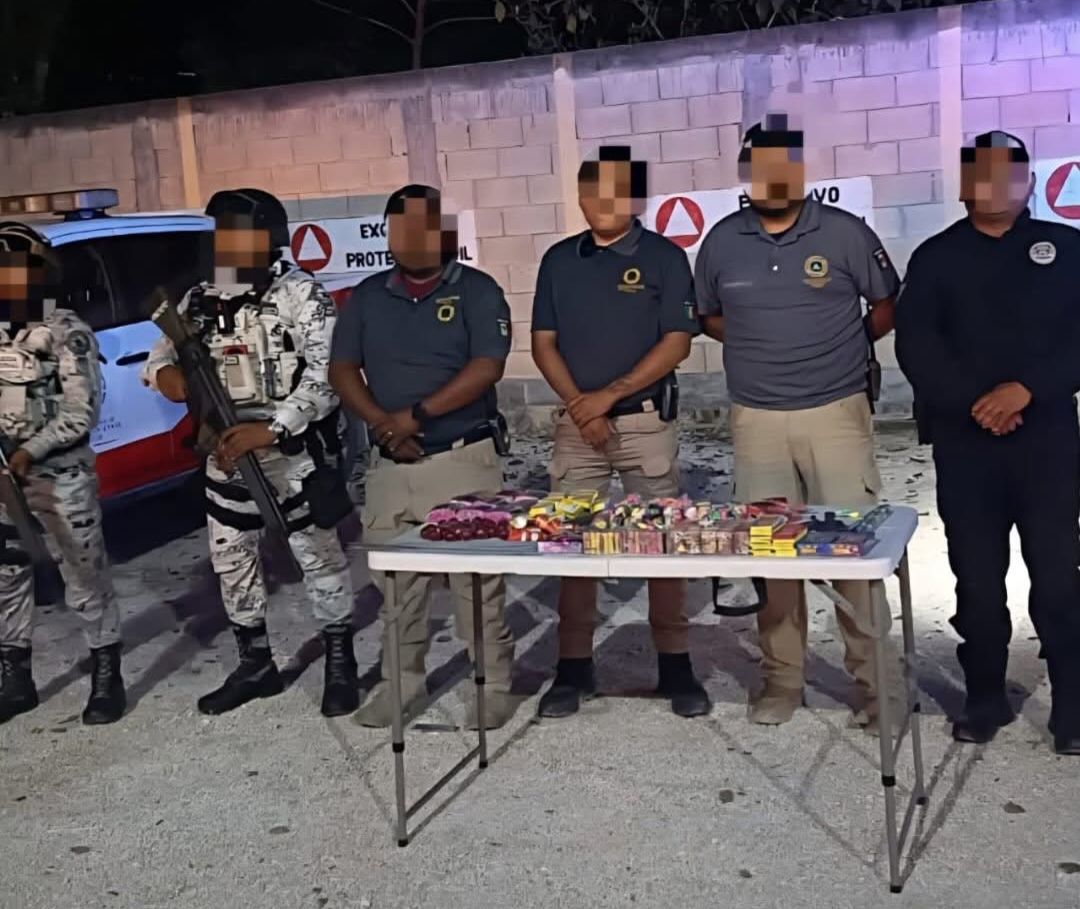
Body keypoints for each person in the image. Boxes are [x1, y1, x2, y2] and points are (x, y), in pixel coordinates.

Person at [697, 115, 900, 727]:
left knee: (853, 554)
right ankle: (782, 682)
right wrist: (763, 346)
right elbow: (709, 316)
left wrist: (839, 348)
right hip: (757, 419)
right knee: (771, 554)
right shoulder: (722, 241)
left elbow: (885, 304)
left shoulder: (843, 233)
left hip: (835, 413)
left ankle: (878, 689)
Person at [895, 131, 1080, 756]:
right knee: (976, 578)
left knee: (1058, 577)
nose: (996, 185)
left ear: (1029, 182)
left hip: (1047, 441)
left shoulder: (1067, 248)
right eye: (983, 174)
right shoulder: (936, 257)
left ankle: (1072, 707)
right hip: (966, 443)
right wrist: (978, 404)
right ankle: (983, 696)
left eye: (1009, 174)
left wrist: (1026, 391)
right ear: (964, 185)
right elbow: (917, 346)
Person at [143, 188, 358, 718]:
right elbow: (159, 361)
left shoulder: (301, 295)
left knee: (319, 558)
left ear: (267, 239)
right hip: (225, 457)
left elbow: (328, 377)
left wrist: (273, 428)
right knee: (232, 562)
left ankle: (340, 662)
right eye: (222, 236)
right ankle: (255, 664)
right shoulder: (197, 300)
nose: (228, 246)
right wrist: (169, 378)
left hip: (293, 455)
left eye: (239, 235)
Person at [328, 184, 520, 731]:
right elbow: (342, 369)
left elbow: (487, 367)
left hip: (461, 459)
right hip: (391, 468)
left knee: (476, 588)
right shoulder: (367, 297)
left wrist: (415, 417)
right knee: (396, 590)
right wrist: (383, 425)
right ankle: (400, 687)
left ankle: (493, 686)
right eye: (402, 227)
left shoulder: (477, 291)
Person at [530, 146, 709, 719]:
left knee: (661, 543)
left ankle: (675, 665)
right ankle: (573, 668)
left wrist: (607, 397)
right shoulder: (559, 260)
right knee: (570, 545)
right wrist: (581, 408)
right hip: (576, 427)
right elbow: (543, 343)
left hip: (643, 423)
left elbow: (677, 341)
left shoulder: (664, 257)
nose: (603, 203)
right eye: (593, 192)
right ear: (581, 198)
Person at [0, 223, 125, 726]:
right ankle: (15, 679)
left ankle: (106, 675)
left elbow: (81, 412)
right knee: (7, 575)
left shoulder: (66, 332)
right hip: (4, 479)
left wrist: (30, 450)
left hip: (59, 477)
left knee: (83, 574)